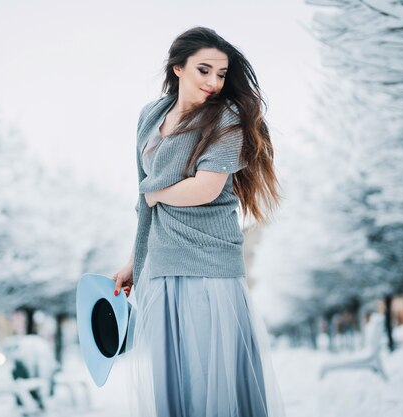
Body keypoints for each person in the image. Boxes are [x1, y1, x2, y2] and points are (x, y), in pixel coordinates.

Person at [112, 26, 286, 417]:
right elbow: (145, 204)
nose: (214, 82)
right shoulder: (150, 115)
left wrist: (154, 193)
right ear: (177, 67)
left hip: (209, 263)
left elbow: (205, 189)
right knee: (177, 384)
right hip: (161, 262)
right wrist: (134, 260)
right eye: (204, 70)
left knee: (213, 382)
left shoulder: (226, 119)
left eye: (221, 74)